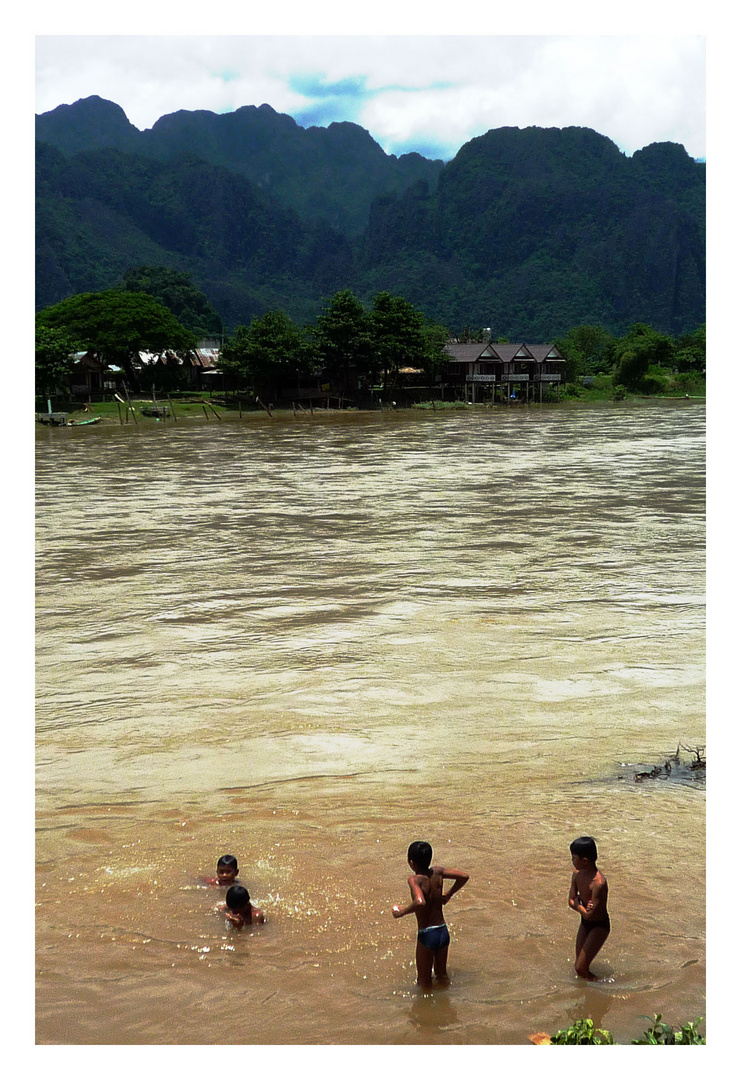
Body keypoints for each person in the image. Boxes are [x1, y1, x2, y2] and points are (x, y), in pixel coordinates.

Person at [391, 840, 469, 988]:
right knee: (442, 976)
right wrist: (449, 894)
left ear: (411, 862)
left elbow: (420, 902)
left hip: (427, 934)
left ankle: (427, 1010)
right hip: (442, 931)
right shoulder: (438, 872)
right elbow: (464, 876)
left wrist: (401, 912)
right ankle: (445, 1007)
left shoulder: (414, 879)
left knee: (424, 983)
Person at [568, 835, 610, 981]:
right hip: (585, 924)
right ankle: (588, 994)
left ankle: (603, 986)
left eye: (574, 858)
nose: (572, 861)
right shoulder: (576, 874)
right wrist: (582, 908)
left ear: (584, 861)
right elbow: (570, 900)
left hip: (599, 926)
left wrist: (579, 904)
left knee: (580, 969)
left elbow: (589, 915)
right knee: (579, 965)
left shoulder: (598, 883)